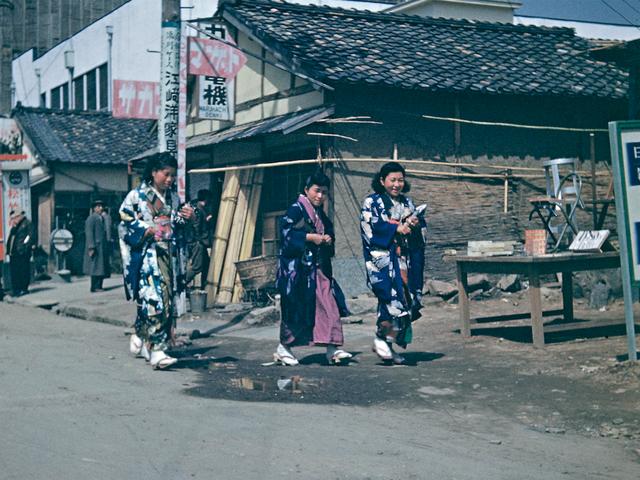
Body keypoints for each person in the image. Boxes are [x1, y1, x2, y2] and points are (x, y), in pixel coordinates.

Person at [118, 152, 194, 370]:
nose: (169, 179)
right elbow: (124, 221)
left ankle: (143, 338)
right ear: (153, 172)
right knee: (155, 299)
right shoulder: (136, 197)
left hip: (169, 256)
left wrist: (188, 216)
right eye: (166, 174)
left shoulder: (173, 198)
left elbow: (177, 222)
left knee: (166, 299)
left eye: (172, 175)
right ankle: (158, 350)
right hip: (147, 256)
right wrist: (147, 230)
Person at [274, 169, 352, 366]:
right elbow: (285, 235)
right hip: (298, 272)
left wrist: (326, 239)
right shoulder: (296, 209)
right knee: (297, 309)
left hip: (318, 270)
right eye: (317, 191)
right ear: (306, 189)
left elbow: (327, 232)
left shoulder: (319, 214)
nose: (320, 196)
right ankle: (284, 348)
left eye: (324, 193)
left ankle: (333, 349)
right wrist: (310, 237)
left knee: (330, 305)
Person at [360, 162, 427, 365]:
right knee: (391, 300)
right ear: (382, 181)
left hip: (404, 260)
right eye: (392, 180)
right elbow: (370, 227)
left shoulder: (408, 203)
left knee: (404, 302)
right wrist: (396, 228)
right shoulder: (372, 202)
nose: (397, 184)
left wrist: (415, 226)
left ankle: (386, 345)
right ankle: (382, 339)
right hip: (382, 260)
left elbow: (419, 229)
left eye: (400, 180)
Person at [186, 189, 212, 289]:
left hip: (200, 243)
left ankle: (204, 289)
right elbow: (196, 226)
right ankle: (182, 282)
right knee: (197, 267)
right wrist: (199, 240)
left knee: (206, 266)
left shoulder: (200, 208)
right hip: (198, 243)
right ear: (206, 198)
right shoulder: (198, 209)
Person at [83, 199, 109, 292]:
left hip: (101, 246)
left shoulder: (101, 218)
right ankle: (94, 287)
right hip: (95, 245)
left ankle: (99, 285)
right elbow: (89, 233)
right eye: (98, 206)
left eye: (101, 206)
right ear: (94, 208)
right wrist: (91, 246)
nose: (101, 208)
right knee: (95, 267)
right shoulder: (91, 218)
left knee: (101, 267)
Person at [6, 210, 34, 297]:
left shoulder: (26, 224)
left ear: (18, 217)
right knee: (15, 271)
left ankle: (23, 288)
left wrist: (24, 246)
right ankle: (16, 289)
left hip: (22, 252)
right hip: (13, 252)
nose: (12, 220)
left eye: (13, 218)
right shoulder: (15, 227)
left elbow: (29, 237)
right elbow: (11, 238)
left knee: (23, 270)